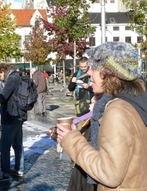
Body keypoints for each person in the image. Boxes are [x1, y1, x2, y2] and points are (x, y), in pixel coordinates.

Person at [57, 42, 147, 190]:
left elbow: (109, 173)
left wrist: (71, 139)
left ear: (109, 73)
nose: (89, 73)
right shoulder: (137, 101)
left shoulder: (117, 111)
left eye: (94, 68)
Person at [0, 63, 25, 183]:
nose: (0, 78)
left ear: (2, 71)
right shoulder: (18, 76)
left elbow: (3, 97)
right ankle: (19, 169)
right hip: (19, 115)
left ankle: (4, 173)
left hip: (11, 115)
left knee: (4, 146)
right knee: (17, 144)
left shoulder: (11, 79)